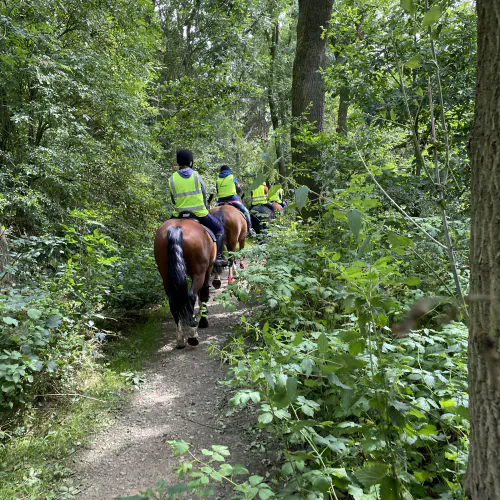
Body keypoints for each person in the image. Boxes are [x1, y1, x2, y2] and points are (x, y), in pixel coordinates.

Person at [168, 149, 226, 265]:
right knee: (220, 229)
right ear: (190, 162)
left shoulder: (172, 179)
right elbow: (204, 195)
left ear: (178, 162)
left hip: (178, 214)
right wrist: (205, 206)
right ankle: (219, 257)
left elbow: (173, 199)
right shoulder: (196, 176)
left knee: (163, 233)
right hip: (199, 213)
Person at [216, 165, 256, 237]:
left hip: (221, 201)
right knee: (246, 212)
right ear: (228, 170)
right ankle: (249, 229)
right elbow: (239, 189)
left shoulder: (218, 179)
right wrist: (239, 191)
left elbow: (217, 190)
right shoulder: (232, 177)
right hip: (233, 200)